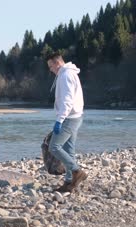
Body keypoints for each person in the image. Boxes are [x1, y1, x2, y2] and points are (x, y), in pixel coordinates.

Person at [46, 52, 88, 193]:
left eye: (51, 66)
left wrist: (59, 120)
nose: (50, 69)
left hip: (70, 118)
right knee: (69, 150)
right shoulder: (67, 74)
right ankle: (69, 183)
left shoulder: (65, 75)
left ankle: (77, 171)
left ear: (57, 63)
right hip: (74, 116)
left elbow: (68, 100)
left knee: (54, 146)